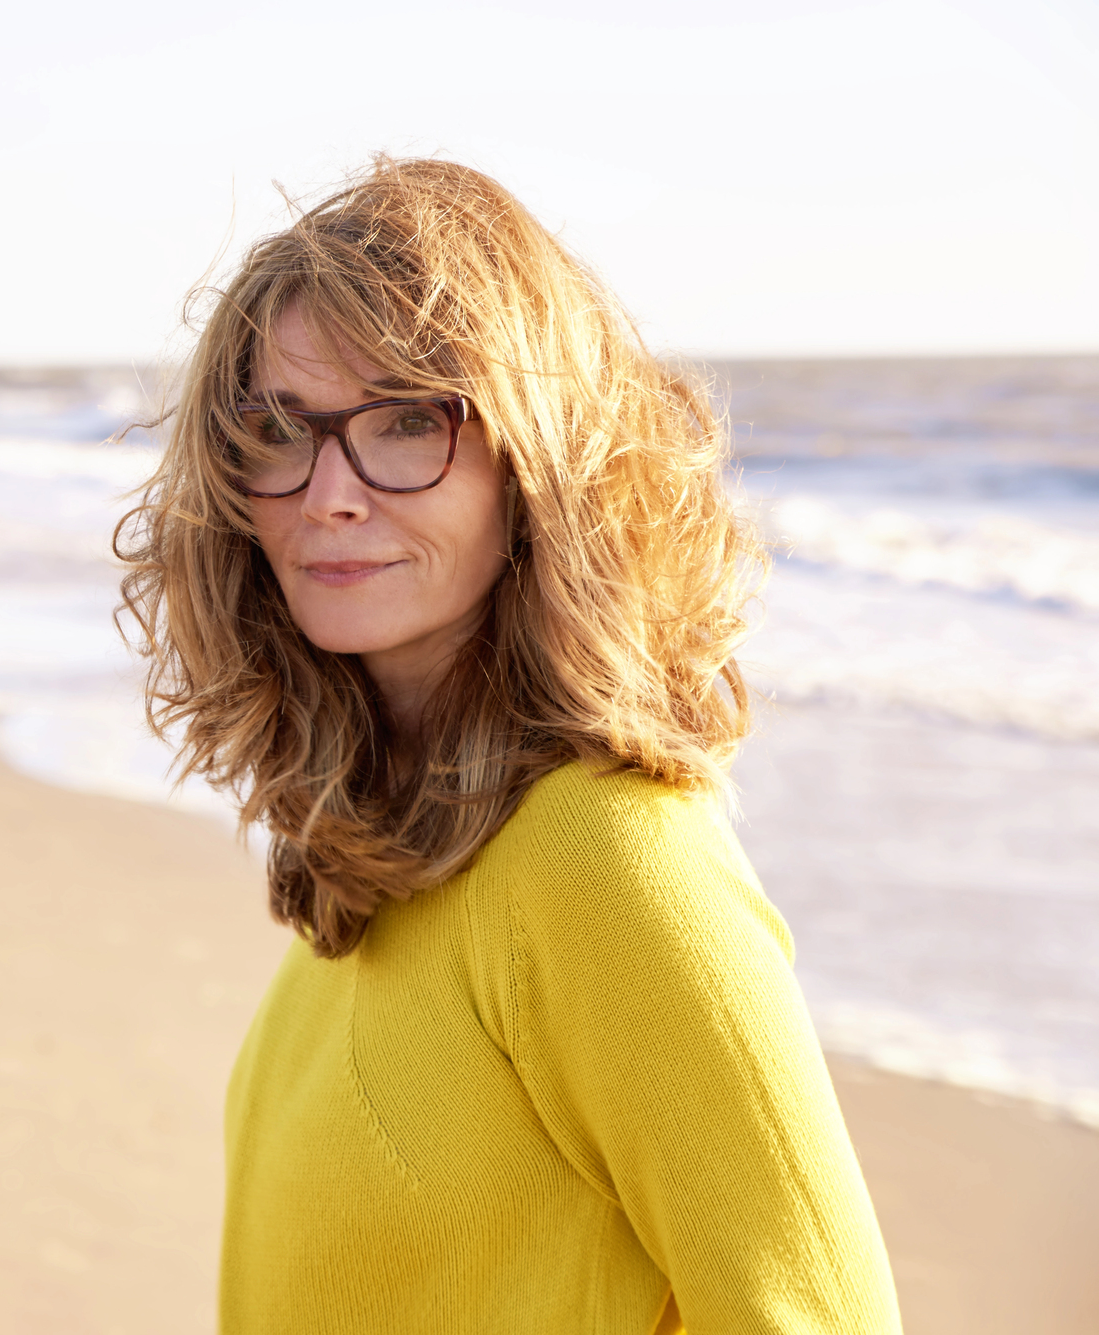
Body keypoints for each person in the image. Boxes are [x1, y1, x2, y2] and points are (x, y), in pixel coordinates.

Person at [117, 158, 900, 1333]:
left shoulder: (607, 858)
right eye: (278, 430)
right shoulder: (381, 853)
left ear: (536, 467)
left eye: (404, 423)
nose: (327, 492)